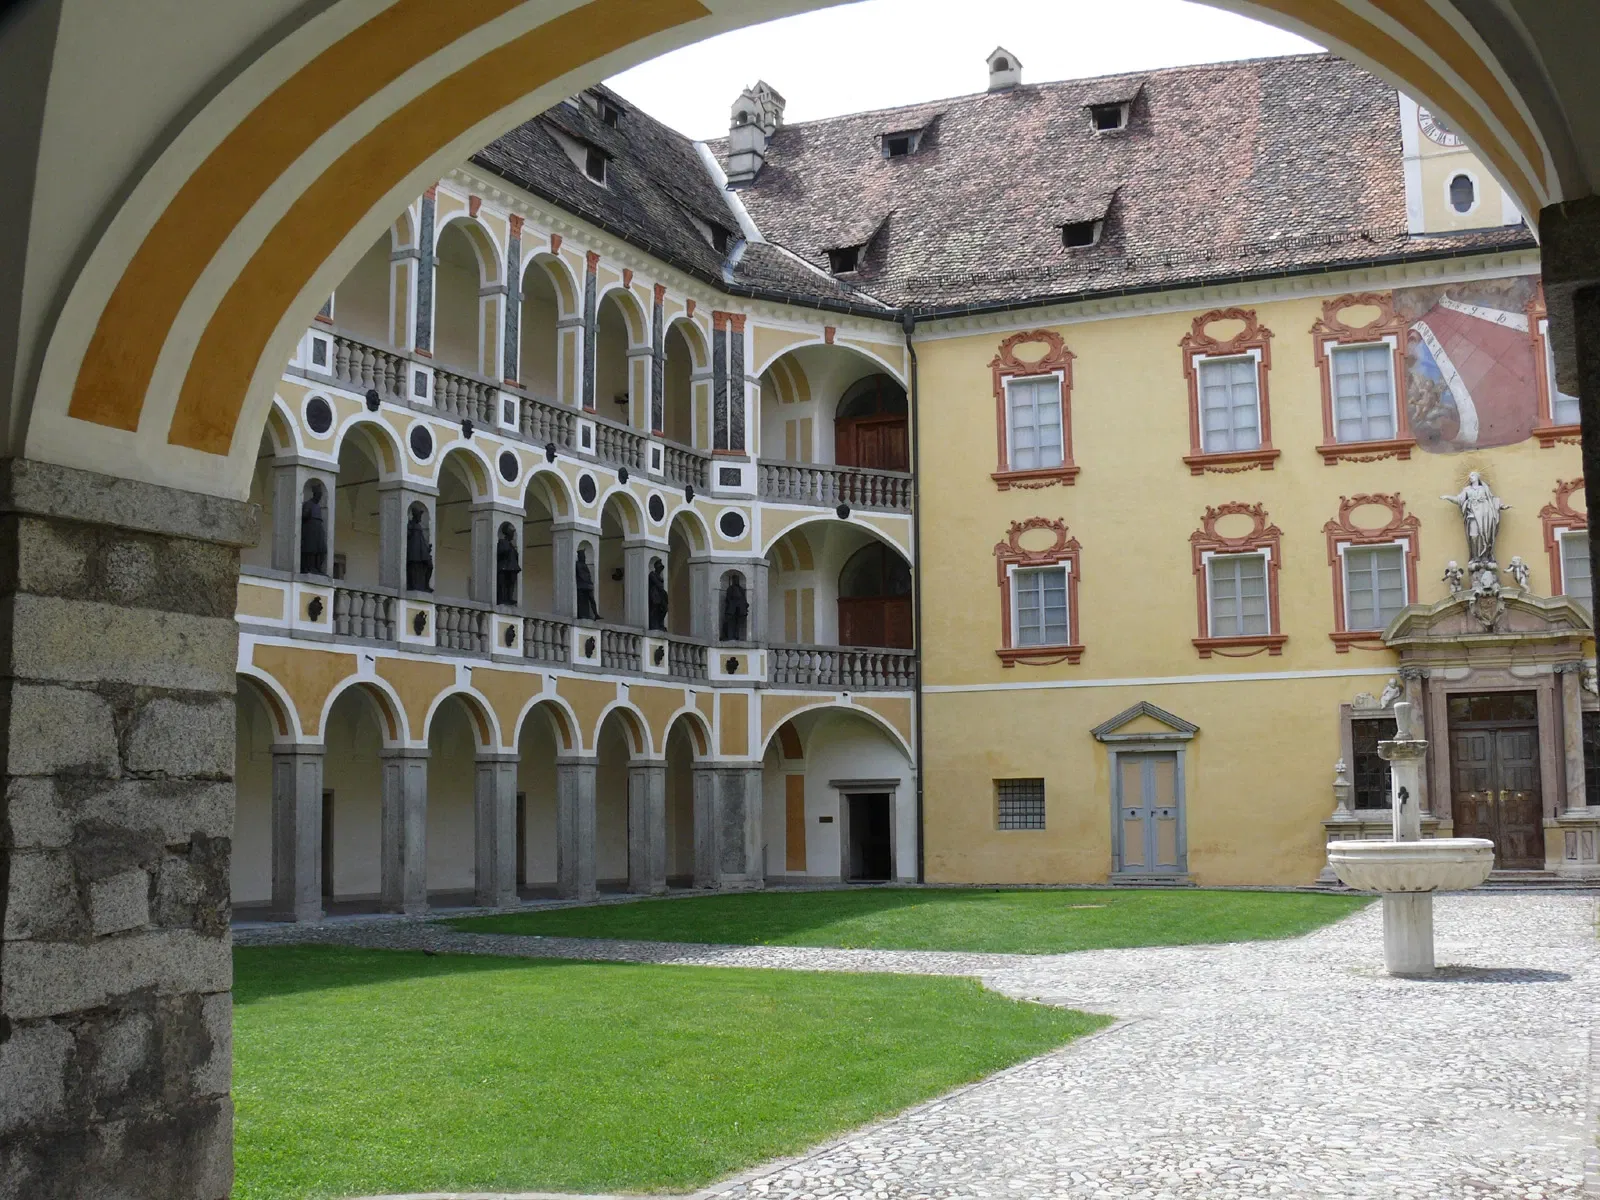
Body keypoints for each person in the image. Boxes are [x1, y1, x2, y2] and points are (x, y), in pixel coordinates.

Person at [1440, 471, 1509, 564]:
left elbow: (1492, 501)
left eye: (1472, 475)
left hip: (1485, 516)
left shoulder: (1484, 488)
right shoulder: (1467, 489)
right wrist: (1447, 497)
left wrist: (1501, 506)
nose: (1470, 477)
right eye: (1470, 476)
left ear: (1478, 477)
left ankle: (1484, 556)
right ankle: (1475, 556)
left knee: (1484, 535)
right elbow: (1459, 500)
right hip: (1472, 515)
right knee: (1474, 536)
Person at [299, 480, 327, 575]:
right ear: (315, 494)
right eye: (319, 494)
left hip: (318, 529)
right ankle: (309, 568)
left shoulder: (317, 506)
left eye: (321, 495)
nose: (320, 497)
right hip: (310, 529)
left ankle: (317, 568)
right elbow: (303, 516)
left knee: (322, 549)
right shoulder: (308, 504)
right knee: (311, 549)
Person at [404, 506, 432, 592]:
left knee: (430, 566)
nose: (420, 518)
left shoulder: (418, 526)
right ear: (415, 515)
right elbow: (408, 537)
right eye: (419, 515)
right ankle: (413, 585)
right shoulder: (410, 525)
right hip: (414, 552)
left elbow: (422, 539)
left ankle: (426, 585)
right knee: (414, 568)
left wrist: (427, 548)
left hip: (422, 552)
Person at [495, 525, 521, 606]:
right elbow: (500, 553)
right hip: (504, 567)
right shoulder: (502, 542)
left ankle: (509, 598)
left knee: (511, 584)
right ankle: (502, 599)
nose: (513, 536)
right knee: (503, 584)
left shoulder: (511, 545)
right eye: (512, 534)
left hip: (512, 568)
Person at [720, 573, 748, 641]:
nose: (736, 581)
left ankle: (736, 636)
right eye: (734, 579)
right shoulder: (730, 588)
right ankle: (729, 636)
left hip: (739, 610)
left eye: (737, 579)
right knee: (729, 623)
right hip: (731, 610)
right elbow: (728, 599)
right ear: (732, 580)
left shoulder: (741, 589)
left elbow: (744, 599)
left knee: (737, 624)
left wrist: (744, 607)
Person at [575, 545, 599, 620]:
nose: (584, 557)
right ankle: (582, 614)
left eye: (584, 556)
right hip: (582, 585)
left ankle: (596, 614)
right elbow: (580, 575)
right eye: (583, 556)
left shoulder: (584, 564)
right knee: (582, 601)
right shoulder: (578, 564)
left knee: (592, 600)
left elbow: (588, 575)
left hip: (587, 585)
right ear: (580, 556)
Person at [647, 558, 669, 631]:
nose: (661, 569)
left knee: (664, 609)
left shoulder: (659, 576)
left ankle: (660, 624)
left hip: (660, 595)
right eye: (660, 567)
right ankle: (654, 624)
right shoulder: (652, 574)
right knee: (654, 610)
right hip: (654, 596)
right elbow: (658, 584)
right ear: (656, 567)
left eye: (661, 568)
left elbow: (660, 585)